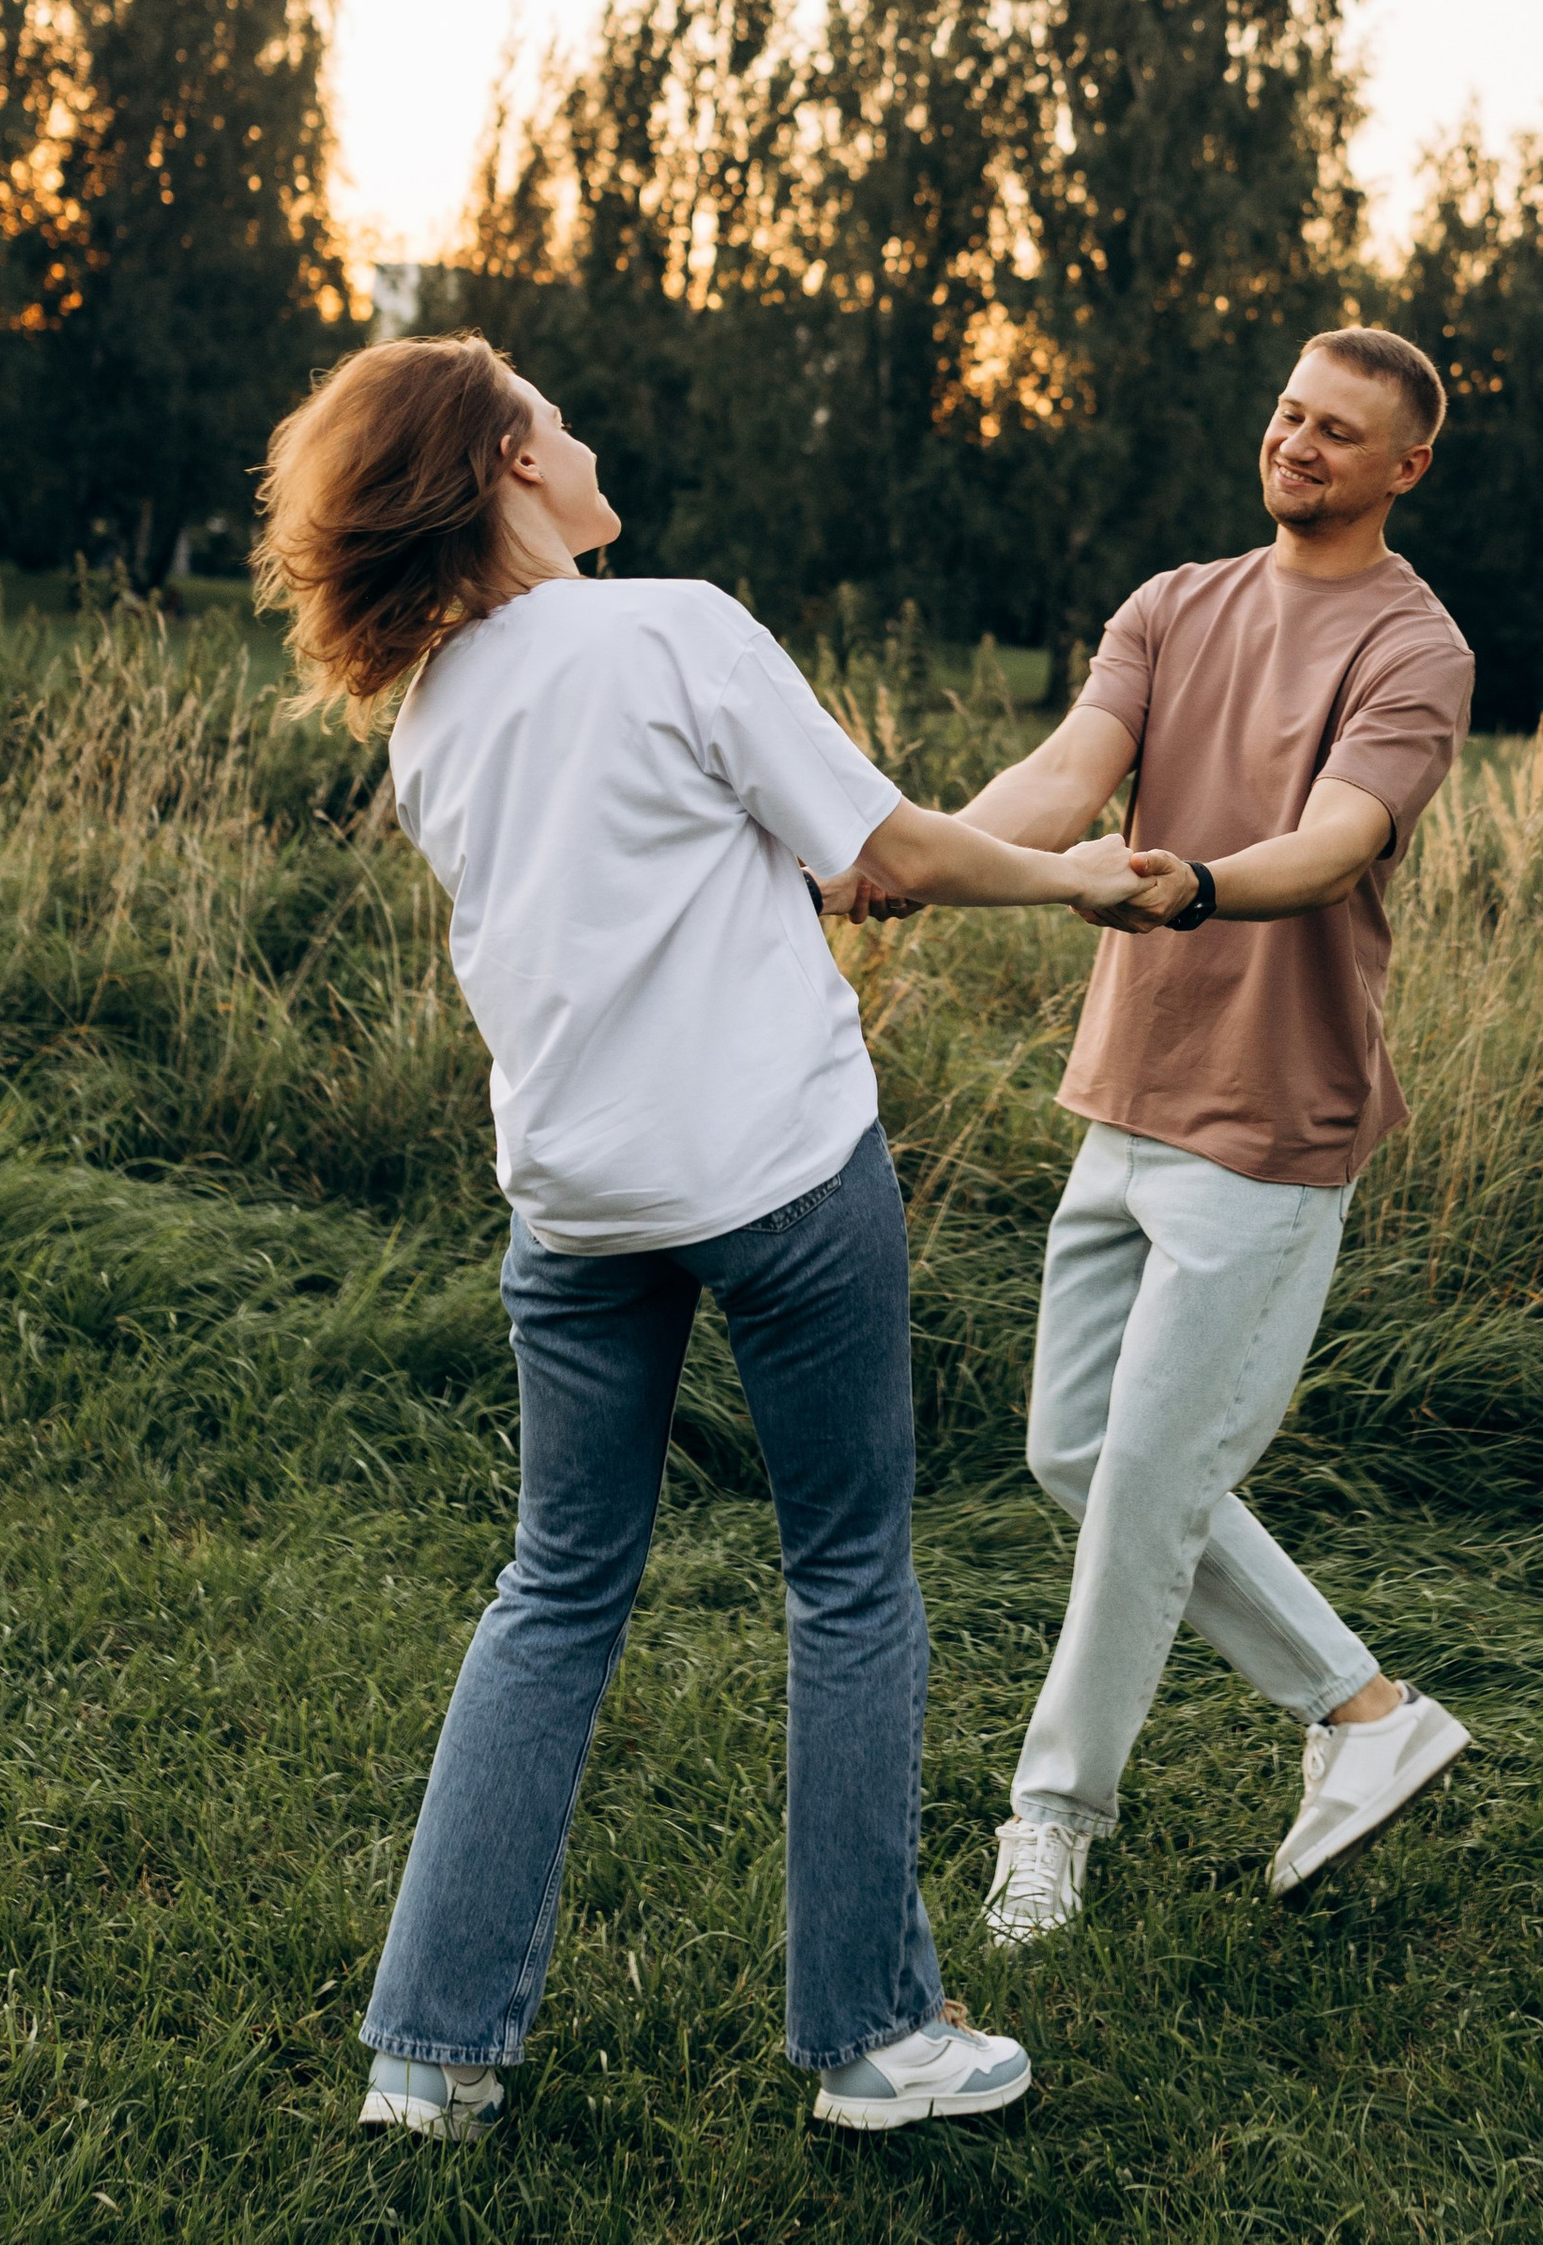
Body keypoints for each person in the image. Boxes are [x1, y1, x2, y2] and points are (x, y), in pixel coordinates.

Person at [253, 334, 1156, 2137]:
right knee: (848, 1575)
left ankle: (428, 2053)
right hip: (780, 1179)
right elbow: (878, 856)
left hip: (576, 1214)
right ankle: (874, 2039)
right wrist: (1074, 873)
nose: (590, 432)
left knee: (557, 1584)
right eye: (558, 413)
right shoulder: (671, 626)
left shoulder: (428, 712)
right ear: (511, 463)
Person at [922, 327, 1477, 1937]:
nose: (1299, 444)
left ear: (1402, 468)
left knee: (1151, 1474)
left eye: (1340, 431)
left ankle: (1053, 1817)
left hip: (1274, 1120)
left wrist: (1204, 882)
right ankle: (1365, 1716)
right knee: (1077, 1453)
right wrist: (911, 851)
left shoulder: (1414, 646)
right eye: (1291, 413)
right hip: (1130, 1090)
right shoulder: (1173, 602)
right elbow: (1066, 774)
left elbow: (1336, 841)